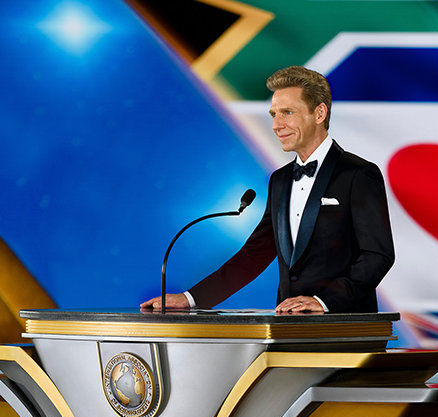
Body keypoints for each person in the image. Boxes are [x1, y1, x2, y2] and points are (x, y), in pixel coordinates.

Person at [141, 66, 394, 313]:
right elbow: (254, 255)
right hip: (288, 326)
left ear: (319, 113)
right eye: (274, 114)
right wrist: (191, 299)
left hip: (347, 327)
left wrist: (324, 301)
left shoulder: (359, 174)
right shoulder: (280, 180)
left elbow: (377, 255)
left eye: (287, 112)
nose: (276, 125)